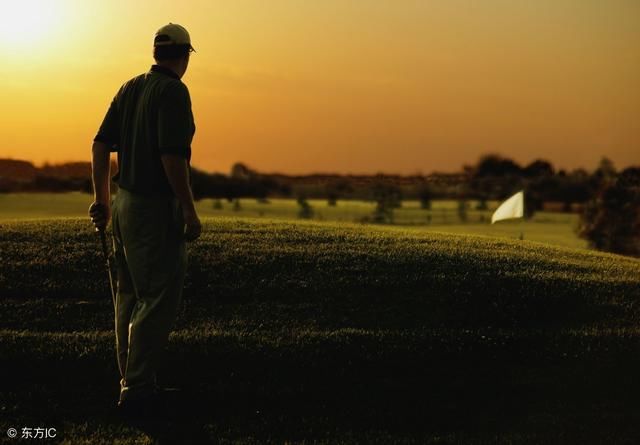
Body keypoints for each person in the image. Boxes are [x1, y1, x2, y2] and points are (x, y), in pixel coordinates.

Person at [89, 23, 201, 415]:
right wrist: (188, 207)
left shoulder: (130, 86)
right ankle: (137, 390)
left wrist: (103, 199)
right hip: (154, 208)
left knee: (128, 295)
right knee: (156, 298)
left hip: (124, 204)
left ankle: (135, 383)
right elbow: (172, 157)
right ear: (185, 55)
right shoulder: (174, 92)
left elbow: (100, 143)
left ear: (156, 53)